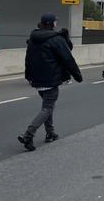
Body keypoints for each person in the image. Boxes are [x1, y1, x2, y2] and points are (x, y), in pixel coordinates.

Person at [18, 13, 82, 151]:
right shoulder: (56, 39)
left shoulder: (33, 38)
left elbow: (28, 58)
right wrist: (77, 75)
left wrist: (28, 76)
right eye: (55, 22)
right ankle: (28, 134)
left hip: (36, 78)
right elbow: (68, 58)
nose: (56, 24)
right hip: (51, 78)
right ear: (51, 24)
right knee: (47, 108)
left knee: (48, 106)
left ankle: (50, 133)